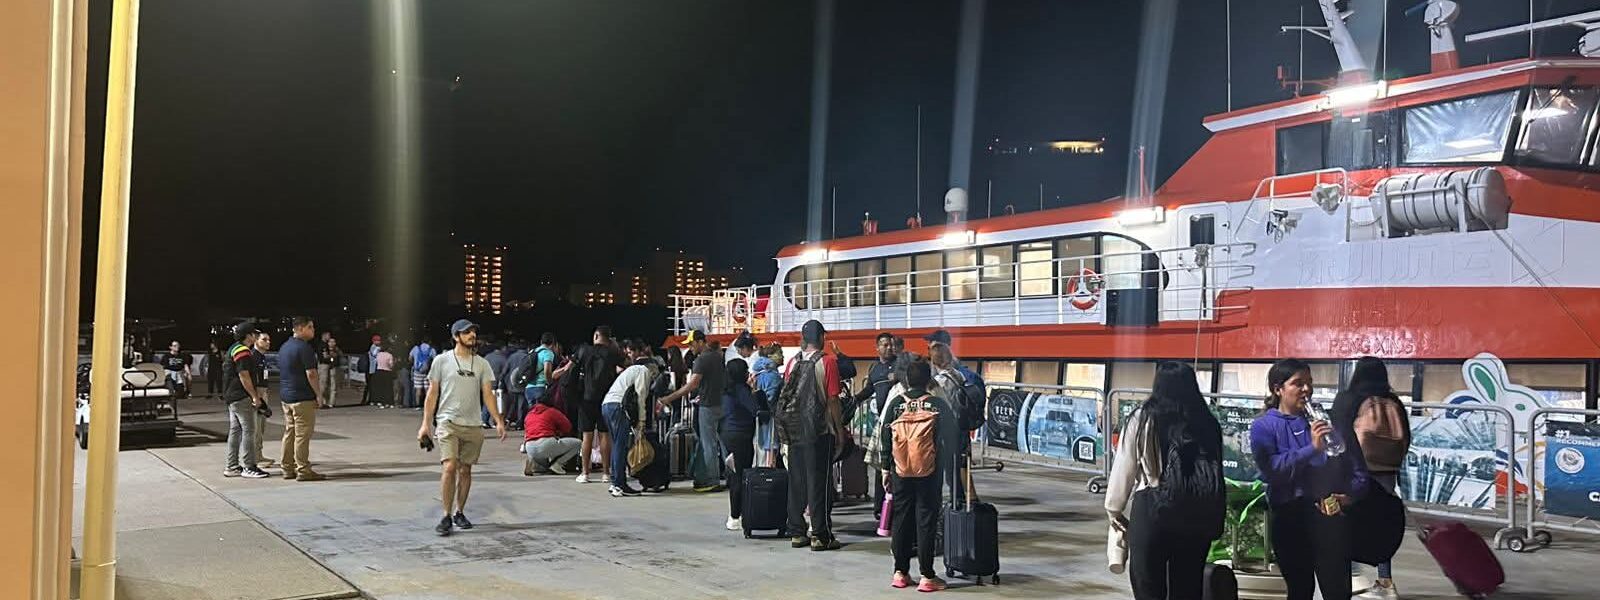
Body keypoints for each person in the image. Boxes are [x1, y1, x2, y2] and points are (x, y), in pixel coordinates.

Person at [1105, 362, 1225, 599]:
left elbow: (1124, 468)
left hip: (1152, 509)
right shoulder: (1207, 422)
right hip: (1196, 515)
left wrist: (1114, 509)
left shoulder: (1142, 418)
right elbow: (1214, 472)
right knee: (1188, 587)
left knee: (1148, 585)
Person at [1250, 359, 1368, 600]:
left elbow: (1358, 471)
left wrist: (1349, 496)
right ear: (1278, 389)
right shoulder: (1264, 426)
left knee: (1337, 591)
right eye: (1298, 383)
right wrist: (1311, 449)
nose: (1307, 389)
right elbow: (1272, 471)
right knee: (1300, 589)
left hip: (1329, 518)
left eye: (1309, 383)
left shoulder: (1329, 423)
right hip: (1289, 516)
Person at [773, 319, 856, 551]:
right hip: (819, 431)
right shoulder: (827, 362)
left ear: (803, 339)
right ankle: (821, 535)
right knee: (819, 482)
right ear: (821, 338)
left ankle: (797, 532)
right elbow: (832, 400)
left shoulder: (793, 362)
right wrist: (839, 431)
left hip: (794, 430)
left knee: (797, 482)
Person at [418, 319, 506, 536]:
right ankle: (446, 515)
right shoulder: (441, 361)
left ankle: (459, 512)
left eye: (473, 332)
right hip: (448, 422)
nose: (472, 335)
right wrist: (425, 424)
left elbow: (488, 394)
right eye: (467, 332)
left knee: (465, 469)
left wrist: (498, 419)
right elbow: (432, 394)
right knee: (450, 466)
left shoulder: (482, 364)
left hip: (473, 424)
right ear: (456, 336)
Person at [1334, 357, 1411, 600]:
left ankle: (1347, 579)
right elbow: (1407, 438)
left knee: (1348, 523)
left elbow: (1338, 434)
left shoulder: (1348, 399)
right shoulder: (1394, 402)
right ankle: (1385, 582)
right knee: (1381, 523)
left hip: (1355, 472)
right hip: (1386, 473)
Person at [878, 358, 956, 591]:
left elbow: (885, 435)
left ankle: (900, 572)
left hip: (900, 470)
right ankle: (927, 575)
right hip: (929, 472)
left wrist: (885, 468)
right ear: (928, 380)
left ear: (907, 380)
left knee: (901, 518)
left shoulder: (896, 404)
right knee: (926, 519)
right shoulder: (936, 404)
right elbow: (951, 437)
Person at [657, 329, 729, 493]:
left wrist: (669, 398)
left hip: (707, 405)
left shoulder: (702, 360)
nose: (690, 348)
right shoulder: (718, 357)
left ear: (701, 342)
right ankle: (730, 476)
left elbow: (693, 384)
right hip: (720, 403)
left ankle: (712, 480)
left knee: (708, 443)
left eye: (692, 344)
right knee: (721, 443)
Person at [600, 339, 660, 497]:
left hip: (607, 405)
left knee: (617, 445)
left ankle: (615, 482)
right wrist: (641, 421)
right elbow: (640, 397)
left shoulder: (630, 370)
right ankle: (619, 485)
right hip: (618, 407)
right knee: (621, 446)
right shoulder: (643, 371)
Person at [927, 339, 983, 506]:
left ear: (934, 362)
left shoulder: (939, 382)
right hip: (962, 427)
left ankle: (955, 503)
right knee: (958, 465)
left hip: (947, 431)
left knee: (950, 470)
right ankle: (961, 500)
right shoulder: (959, 375)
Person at [855, 332, 899, 521]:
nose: (889, 348)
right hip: (882, 424)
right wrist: (855, 399)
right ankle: (879, 507)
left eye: (891, 345)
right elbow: (869, 389)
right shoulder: (874, 368)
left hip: (899, 424)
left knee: (896, 467)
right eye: (884, 345)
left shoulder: (901, 365)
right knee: (881, 465)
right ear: (877, 347)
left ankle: (895, 505)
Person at [277, 317, 326, 481]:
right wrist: (318, 394)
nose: (313, 330)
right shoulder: (304, 348)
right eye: (310, 327)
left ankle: (287, 467)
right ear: (300, 328)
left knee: (289, 432)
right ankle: (303, 470)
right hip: (302, 398)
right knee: (302, 435)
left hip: (286, 397)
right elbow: (311, 373)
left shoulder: (284, 347)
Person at [574, 327, 623, 484]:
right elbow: (624, 366)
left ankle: (585, 473)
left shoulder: (584, 351)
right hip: (606, 398)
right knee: (604, 435)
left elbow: (573, 370)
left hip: (586, 398)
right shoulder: (612, 353)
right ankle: (606, 473)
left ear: (596, 335)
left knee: (587, 436)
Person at [221, 323, 270, 479]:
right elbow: (244, 376)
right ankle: (249, 466)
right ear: (248, 336)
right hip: (241, 396)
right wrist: (255, 396)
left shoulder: (234, 348)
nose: (256, 336)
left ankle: (232, 466)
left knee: (235, 431)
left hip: (232, 396)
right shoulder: (242, 351)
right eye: (254, 334)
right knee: (250, 431)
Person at [720, 358, 763, 530]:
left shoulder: (725, 390)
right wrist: (755, 391)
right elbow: (755, 409)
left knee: (734, 474)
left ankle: (735, 514)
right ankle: (736, 516)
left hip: (727, 433)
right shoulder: (741, 390)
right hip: (742, 435)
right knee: (741, 476)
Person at [522, 390, 581, 476]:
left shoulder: (529, 414)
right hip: (546, 443)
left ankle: (533, 463)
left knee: (543, 464)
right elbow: (567, 427)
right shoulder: (551, 411)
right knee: (578, 443)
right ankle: (557, 464)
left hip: (529, 446)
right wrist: (558, 431)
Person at [523, 333, 561, 433]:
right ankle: (540, 434)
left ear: (541, 342)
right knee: (542, 414)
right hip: (540, 388)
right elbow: (547, 370)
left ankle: (529, 434)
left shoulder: (533, 351)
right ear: (553, 343)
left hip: (528, 388)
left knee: (531, 413)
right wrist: (550, 382)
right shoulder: (548, 353)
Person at [252, 332, 274, 470]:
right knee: (256, 428)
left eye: (269, 339)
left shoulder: (262, 357)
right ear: (256, 340)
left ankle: (259, 455)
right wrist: (257, 397)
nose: (268, 342)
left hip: (263, 393)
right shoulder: (253, 357)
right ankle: (255, 458)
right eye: (264, 339)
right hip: (257, 394)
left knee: (261, 427)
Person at [409, 337, 436, 411]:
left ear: (422, 341)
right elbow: (435, 360)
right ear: (429, 341)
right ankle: (428, 405)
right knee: (427, 389)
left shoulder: (416, 348)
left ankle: (418, 405)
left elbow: (410, 358)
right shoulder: (431, 349)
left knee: (418, 389)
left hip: (417, 371)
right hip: (427, 372)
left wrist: (414, 364)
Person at [317, 333, 342, 408]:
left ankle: (331, 402)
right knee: (324, 384)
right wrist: (330, 356)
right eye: (330, 342)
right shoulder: (324, 348)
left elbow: (339, 356)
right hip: (326, 367)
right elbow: (324, 357)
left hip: (334, 368)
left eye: (333, 342)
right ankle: (323, 401)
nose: (332, 343)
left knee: (333, 385)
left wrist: (334, 354)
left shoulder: (337, 350)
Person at [371, 342, 396, 408]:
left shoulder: (378, 354)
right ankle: (389, 402)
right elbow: (391, 365)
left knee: (380, 387)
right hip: (387, 372)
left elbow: (376, 361)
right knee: (388, 388)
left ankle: (380, 402)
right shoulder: (389, 355)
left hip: (379, 371)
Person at [362, 334, 381, 405]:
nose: (379, 342)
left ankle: (370, 399)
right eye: (377, 340)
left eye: (379, 340)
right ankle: (368, 399)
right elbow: (374, 354)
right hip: (371, 369)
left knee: (372, 385)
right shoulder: (373, 347)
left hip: (374, 369)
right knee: (370, 385)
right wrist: (379, 349)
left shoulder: (376, 347)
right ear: (373, 341)